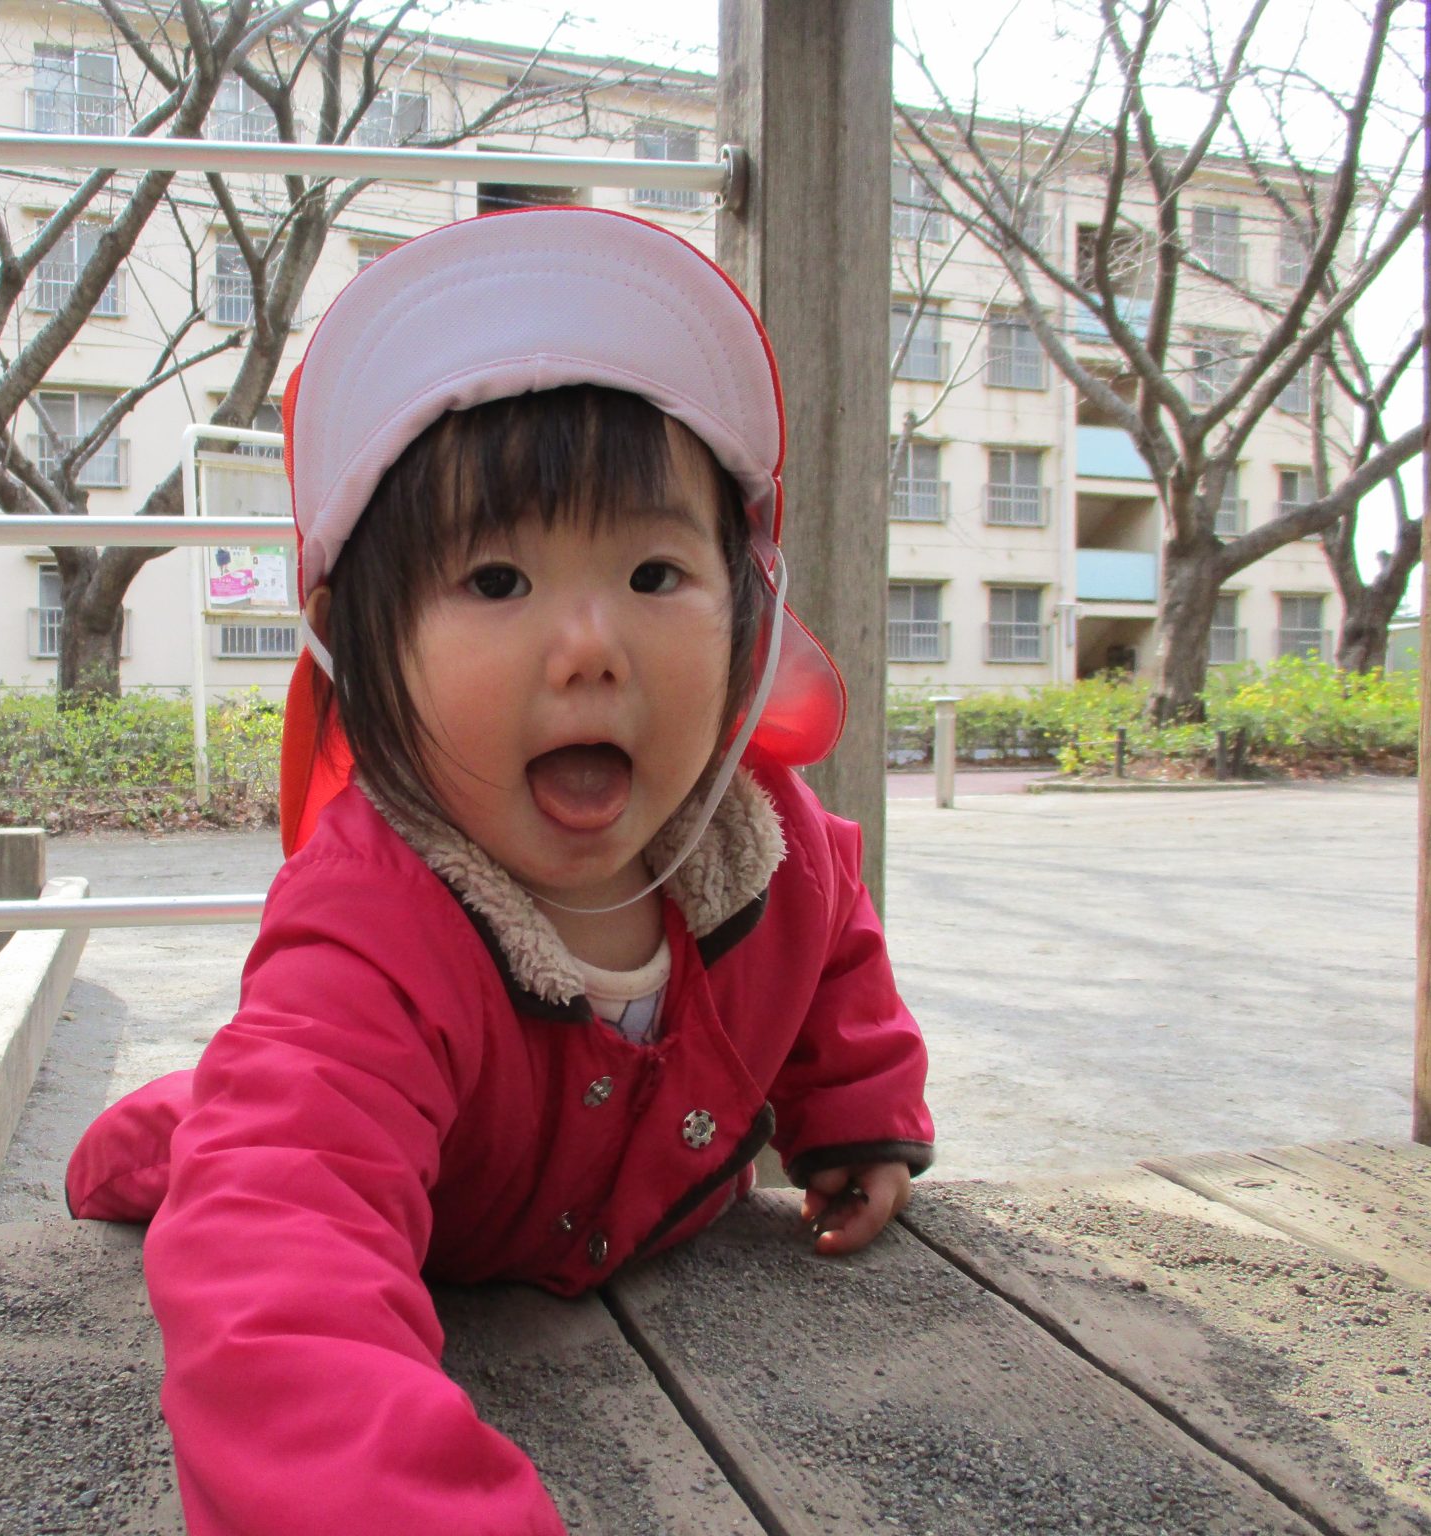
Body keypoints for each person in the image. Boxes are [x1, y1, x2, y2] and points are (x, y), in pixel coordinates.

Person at [65, 206, 933, 1534]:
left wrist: (857, 1108)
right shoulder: (373, 931)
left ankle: (208, 1118)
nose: (589, 645)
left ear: (751, 609)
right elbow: (277, 1308)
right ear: (356, 637)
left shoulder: (767, 845)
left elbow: (834, 959)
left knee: (284, 1122)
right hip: (428, 1194)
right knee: (260, 1151)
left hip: (602, 1206)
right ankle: (168, 1133)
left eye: (653, 570)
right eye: (495, 580)